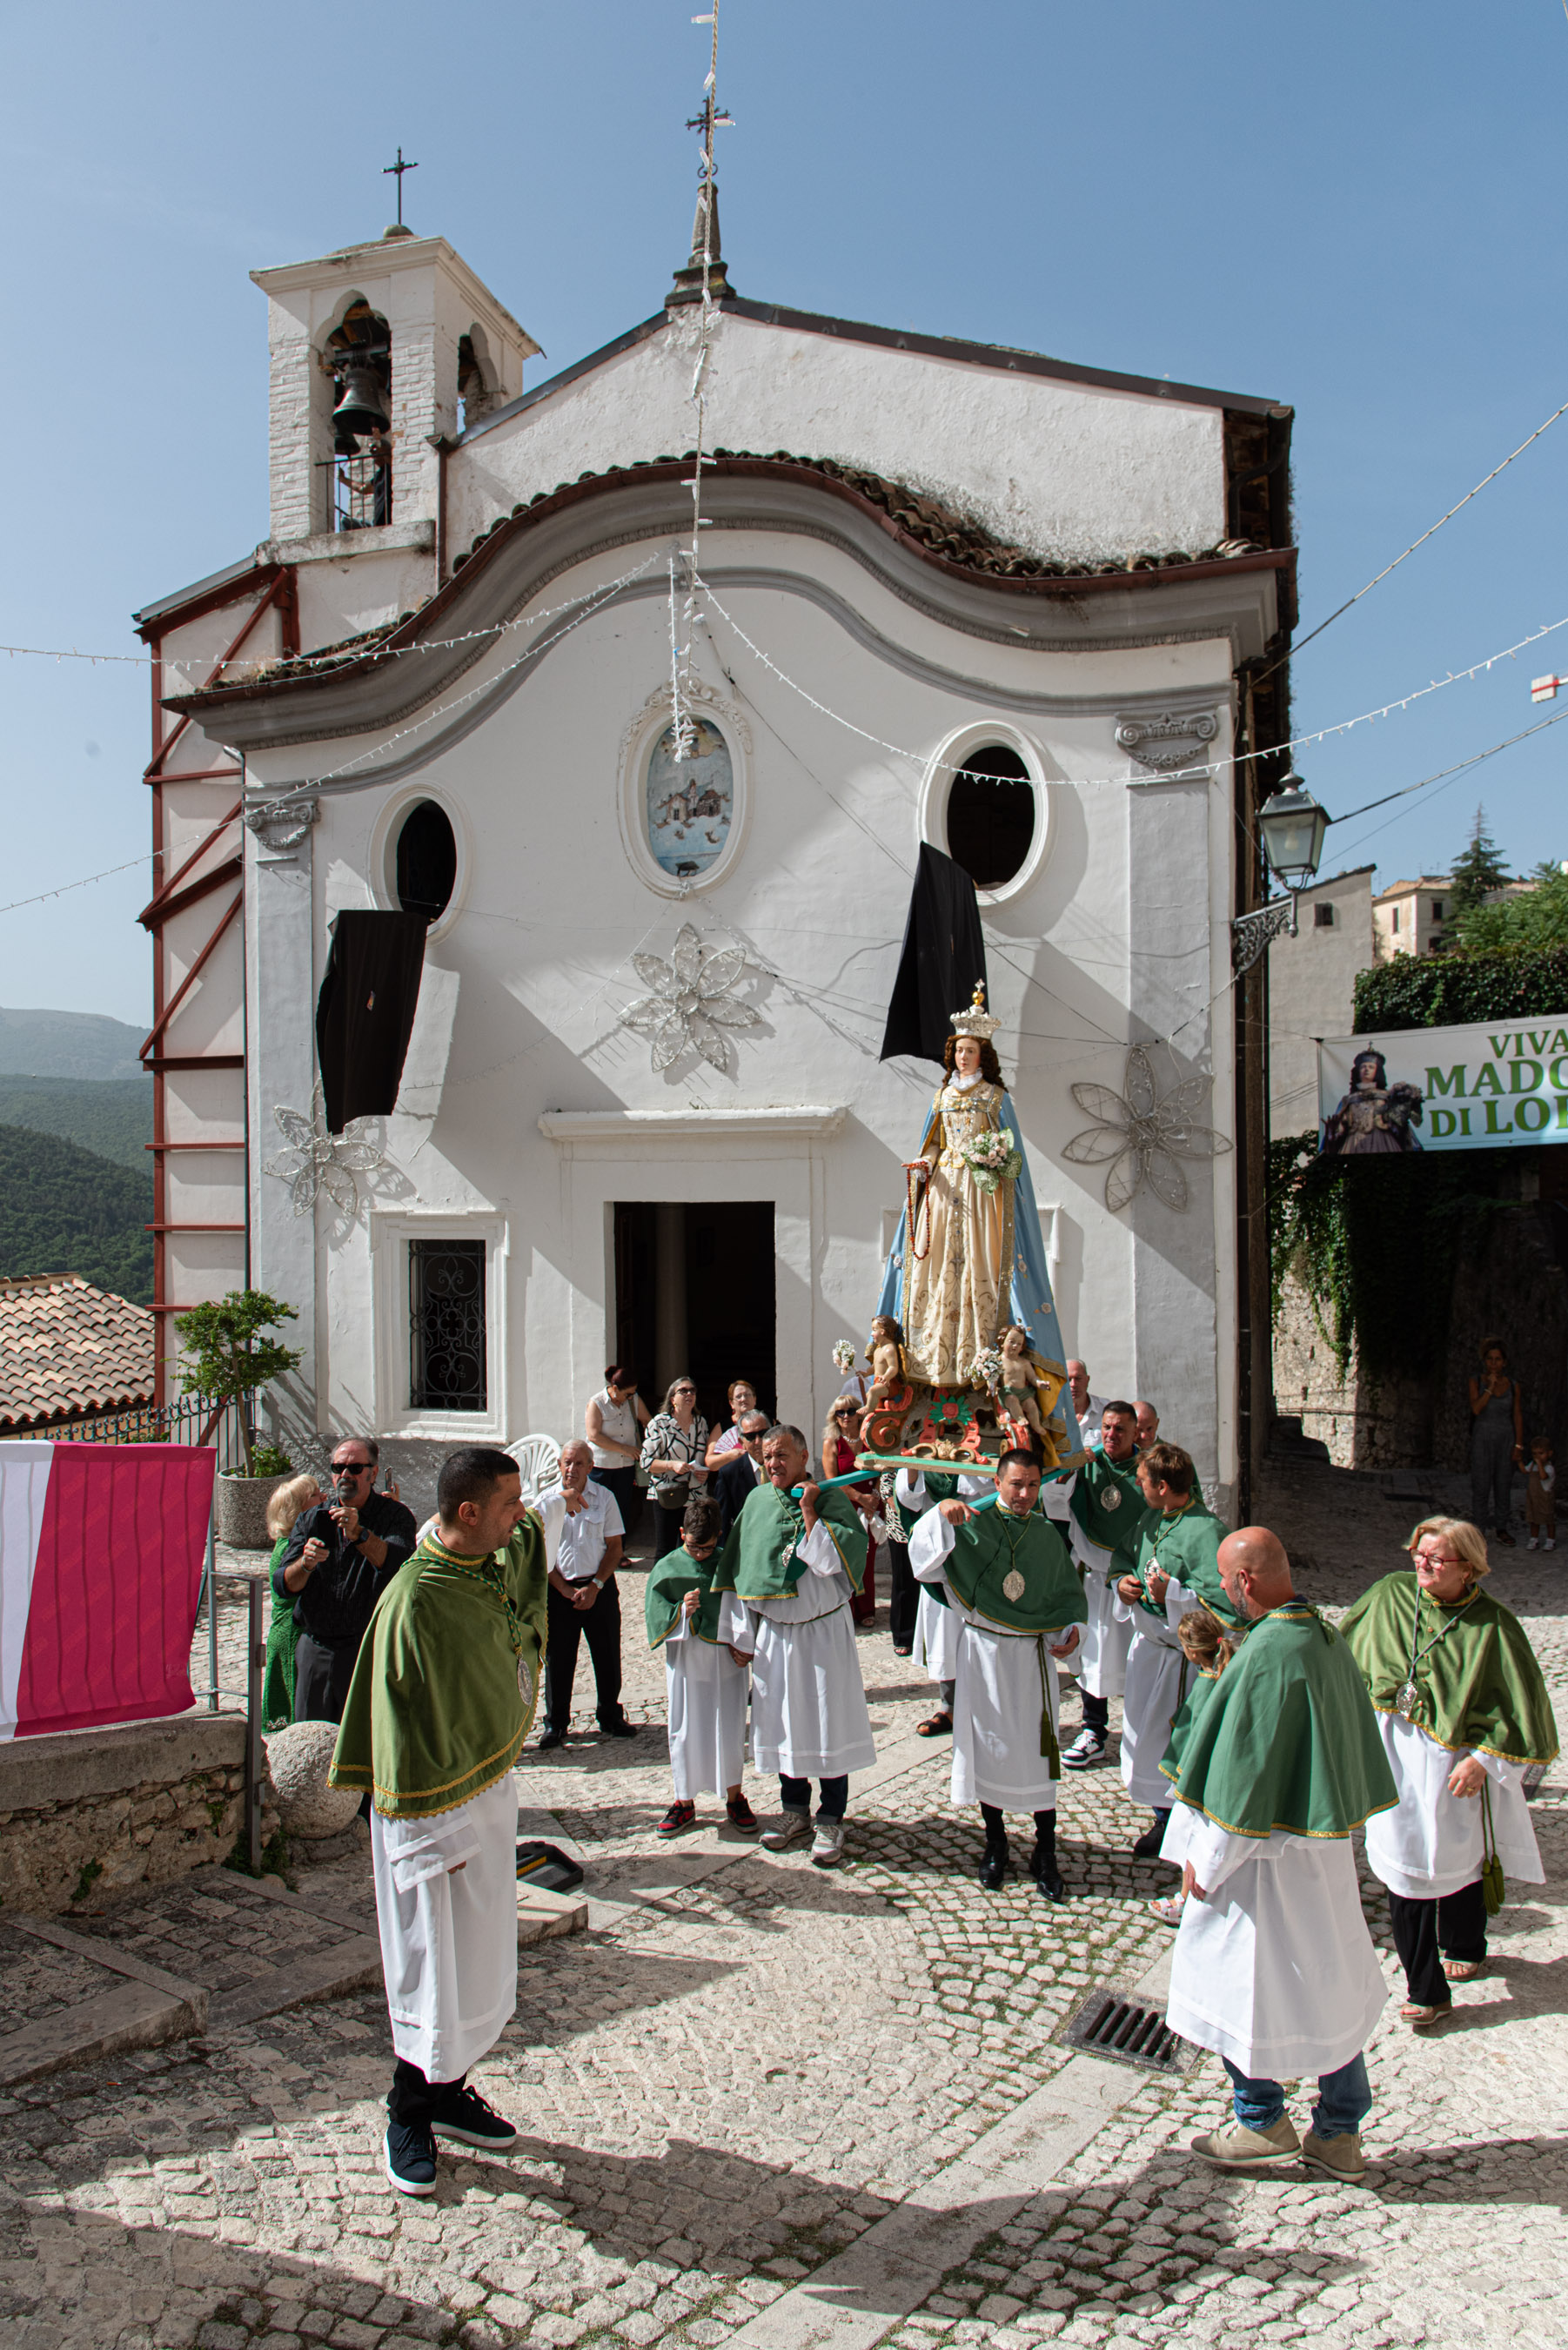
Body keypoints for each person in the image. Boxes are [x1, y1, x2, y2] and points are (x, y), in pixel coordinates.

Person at [329, 1446, 551, 2197]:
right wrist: (431, 1835)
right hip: (430, 1813)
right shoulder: (417, 1599)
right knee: (432, 1965)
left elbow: (526, 1546)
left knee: (476, 1958)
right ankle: (407, 2112)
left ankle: (450, 2089)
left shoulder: (483, 1558)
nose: (521, 1517)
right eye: (510, 1504)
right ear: (467, 1513)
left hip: (484, 1794)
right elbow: (396, 1726)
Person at [1163, 1528, 1397, 2182]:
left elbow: (1246, 1780)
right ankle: (1340, 2132)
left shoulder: (1268, 1656)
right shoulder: (1321, 1637)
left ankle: (1260, 2120)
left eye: (1226, 1582)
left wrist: (1202, 1868)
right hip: (1318, 1857)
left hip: (1259, 1868)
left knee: (1239, 1984)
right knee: (1328, 1983)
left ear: (1244, 1583)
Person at [1340, 1515, 1558, 2031]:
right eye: (1418, 1552)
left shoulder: (1493, 1626)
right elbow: (1342, 1651)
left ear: (1470, 1568)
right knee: (1406, 1871)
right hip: (1392, 1757)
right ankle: (1427, 1990)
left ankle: (1466, 1943)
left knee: (1460, 1861)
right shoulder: (1391, 1594)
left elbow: (1520, 1708)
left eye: (1436, 1559)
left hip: (1454, 1767)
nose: (1422, 1564)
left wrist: (1485, 1760)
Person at [908, 1448, 1087, 1898]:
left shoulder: (1046, 1534)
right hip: (983, 1654)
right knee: (988, 1748)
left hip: (1031, 1660)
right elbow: (922, 1562)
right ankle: (996, 1843)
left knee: (1039, 1752)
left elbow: (1063, 1594)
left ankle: (1045, 1850)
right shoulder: (974, 1522)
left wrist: (1070, 1631)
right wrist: (939, 1517)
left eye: (1032, 1485)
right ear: (998, 1481)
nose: (1024, 1494)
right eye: (1015, 1484)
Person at [713, 1425, 876, 1866]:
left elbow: (832, 1564)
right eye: (767, 1457)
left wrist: (809, 1513)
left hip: (823, 1632)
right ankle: (794, 1811)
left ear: (804, 1455)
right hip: (777, 1635)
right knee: (786, 1722)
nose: (773, 1464)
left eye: (782, 1455)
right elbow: (741, 1569)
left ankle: (831, 1816)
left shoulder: (830, 1498)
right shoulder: (757, 1502)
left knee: (828, 1720)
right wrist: (742, 1633)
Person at [1113, 1442, 1237, 1858]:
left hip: (1183, 1660)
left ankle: (1185, 1826)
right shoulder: (1152, 1517)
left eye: (1144, 1481)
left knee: (1177, 1743)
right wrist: (1123, 1584)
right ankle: (1163, 1819)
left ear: (1163, 1487)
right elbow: (1125, 1555)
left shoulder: (1207, 1532)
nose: (1138, 1485)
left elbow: (1226, 1607)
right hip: (1148, 1650)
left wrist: (1175, 1594)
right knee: (1144, 1740)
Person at [900, 986, 1021, 1386]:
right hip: (944, 1183)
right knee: (937, 1261)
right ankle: (932, 1352)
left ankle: (979, 1352)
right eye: (957, 1050)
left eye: (970, 1050)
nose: (962, 1057)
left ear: (982, 1054)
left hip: (978, 1189)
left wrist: (993, 1159)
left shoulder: (995, 1098)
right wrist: (925, 1163)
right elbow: (934, 1142)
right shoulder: (942, 1097)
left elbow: (1011, 1151)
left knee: (975, 1259)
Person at [275, 1438, 418, 1723]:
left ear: (373, 1473)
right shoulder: (311, 1518)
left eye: (354, 1467)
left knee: (364, 1746)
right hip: (317, 1649)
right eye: (338, 1467)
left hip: (368, 1650)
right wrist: (305, 1564)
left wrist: (360, 1534)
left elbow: (398, 1566)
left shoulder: (394, 1516)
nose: (345, 1475)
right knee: (310, 1742)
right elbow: (283, 1585)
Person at [646, 1494, 758, 1837]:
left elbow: (749, 1607)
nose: (699, 1555)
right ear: (682, 1534)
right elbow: (654, 1613)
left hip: (726, 1659)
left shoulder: (729, 1564)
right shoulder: (667, 1567)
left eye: (707, 1548)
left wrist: (747, 1646)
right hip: (687, 1659)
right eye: (694, 1547)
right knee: (686, 1725)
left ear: (719, 1537)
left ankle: (734, 1796)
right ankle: (684, 1800)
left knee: (729, 1723)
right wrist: (681, 1612)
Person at [535, 1440, 635, 1750]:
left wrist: (595, 1587)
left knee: (606, 1654)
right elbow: (539, 1553)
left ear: (591, 1467)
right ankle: (556, 1723)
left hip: (599, 1587)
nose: (571, 1469)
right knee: (559, 1660)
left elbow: (614, 1548)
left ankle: (610, 1715)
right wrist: (564, 1589)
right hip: (559, 1589)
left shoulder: (604, 1499)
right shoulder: (546, 1501)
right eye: (567, 1462)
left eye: (579, 1464)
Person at [1061, 1401, 1143, 1769]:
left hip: (1133, 1583)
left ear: (1136, 1432)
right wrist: (1071, 1470)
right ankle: (1094, 1730)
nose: (1112, 1435)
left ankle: (1145, 1732)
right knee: (1093, 1655)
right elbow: (1057, 1500)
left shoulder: (1148, 1470)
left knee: (1141, 1659)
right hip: (1096, 1579)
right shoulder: (1090, 1464)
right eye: (1107, 1427)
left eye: (1120, 1429)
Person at [895, 1466, 980, 1736]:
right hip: (939, 1544)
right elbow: (909, 1498)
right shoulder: (927, 1436)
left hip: (980, 1539)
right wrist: (911, 1463)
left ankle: (986, 1706)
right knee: (945, 1630)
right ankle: (949, 1707)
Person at [261, 1472, 327, 1730]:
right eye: (315, 1495)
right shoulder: (290, 1549)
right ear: (298, 1508)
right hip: (291, 1634)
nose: (323, 1497)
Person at [640, 1375, 711, 1560]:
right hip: (667, 1493)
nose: (689, 1394)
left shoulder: (701, 1423)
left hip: (695, 1494)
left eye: (692, 1391)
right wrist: (672, 1465)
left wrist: (703, 1472)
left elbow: (704, 1457)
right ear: (672, 1398)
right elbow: (646, 1462)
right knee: (666, 1550)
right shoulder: (659, 1423)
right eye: (683, 1391)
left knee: (691, 1548)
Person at [821, 1393, 878, 1624]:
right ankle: (848, 1609)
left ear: (860, 1413)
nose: (846, 1416)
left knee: (867, 1560)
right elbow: (831, 1479)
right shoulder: (832, 1443)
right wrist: (859, 1497)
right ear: (834, 1417)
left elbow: (883, 1471)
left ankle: (866, 1610)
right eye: (840, 1412)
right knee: (846, 1560)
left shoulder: (871, 1439)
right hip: (844, 1509)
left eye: (851, 1411)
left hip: (871, 1508)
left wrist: (873, 1500)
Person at [585, 1366, 650, 1547]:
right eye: (627, 1394)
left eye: (633, 1394)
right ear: (614, 1389)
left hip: (625, 1467)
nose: (630, 1397)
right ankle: (596, 1548)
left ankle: (618, 1550)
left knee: (622, 1509)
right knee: (598, 1509)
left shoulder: (633, 1400)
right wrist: (624, 1448)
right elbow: (594, 1436)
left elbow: (647, 1421)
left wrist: (650, 1443)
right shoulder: (597, 1403)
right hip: (601, 1466)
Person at [1468, 1339, 1524, 1546]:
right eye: (1490, 1359)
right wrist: (1489, 1388)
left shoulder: (1513, 1386)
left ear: (1504, 1362)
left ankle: (1502, 1527)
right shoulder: (1476, 1381)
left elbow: (1517, 1414)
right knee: (1481, 1484)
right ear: (1485, 1361)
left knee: (1503, 1484)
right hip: (1483, 1437)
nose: (1494, 1364)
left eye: (1498, 1359)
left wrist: (1518, 1445)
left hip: (1506, 1437)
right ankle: (1478, 1530)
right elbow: (1476, 1409)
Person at [1320, 1048, 1424, 1155]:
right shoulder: (1348, 1100)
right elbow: (1340, 1129)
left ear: (1377, 1071)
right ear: (1358, 1071)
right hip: (1353, 1144)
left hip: (1383, 1141)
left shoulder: (1387, 1096)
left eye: (1371, 1067)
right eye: (1363, 1067)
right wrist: (1333, 1131)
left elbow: (1399, 1124)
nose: (1366, 1069)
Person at [714, 1410, 769, 1534]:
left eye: (763, 1434)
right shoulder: (729, 1474)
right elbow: (722, 1521)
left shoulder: (783, 1466)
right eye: (750, 1437)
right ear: (741, 1442)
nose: (758, 1441)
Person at [704, 1380, 759, 1469]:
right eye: (738, 1396)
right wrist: (729, 1456)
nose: (743, 1399)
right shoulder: (722, 1427)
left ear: (755, 1399)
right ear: (731, 1403)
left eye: (747, 1395)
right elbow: (710, 1462)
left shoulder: (767, 1423)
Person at [1067, 1360, 1107, 1453]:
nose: (1073, 1384)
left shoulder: (1105, 1409)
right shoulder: (1053, 1412)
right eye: (1068, 1379)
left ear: (1087, 1380)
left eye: (1078, 1378)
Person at [1527, 1436, 1557, 1552]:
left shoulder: (1549, 1468)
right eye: (1535, 1454)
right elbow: (1525, 1470)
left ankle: (1551, 1540)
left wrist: (1539, 1465)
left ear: (1549, 1453)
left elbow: (1543, 1476)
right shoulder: (1532, 1465)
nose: (1538, 1457)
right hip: (1533, 1497)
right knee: (1534, 1519)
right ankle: (1534, 1539)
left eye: (1541, 1453)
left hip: (1545, 1498)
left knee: (1548, 1519)